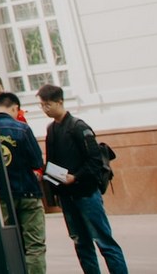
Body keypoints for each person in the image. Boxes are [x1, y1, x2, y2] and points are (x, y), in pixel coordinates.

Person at [38, 84, 128, 274]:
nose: (45, 109)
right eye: (42, 105)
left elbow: (95, 161)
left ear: (60, 102)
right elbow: (51, 162)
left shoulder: (79, 127)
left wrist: (75, 177)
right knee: (81, 243)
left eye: (48, 104)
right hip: (67, 197)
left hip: (86, 194)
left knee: (104, 241)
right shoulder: (51, 130)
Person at [0, 91, 46, 274]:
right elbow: (37, 162)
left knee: (7, 244)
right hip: (28, 193)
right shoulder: (22, 129)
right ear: (14, 107)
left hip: (0, 197)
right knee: (34, 245)